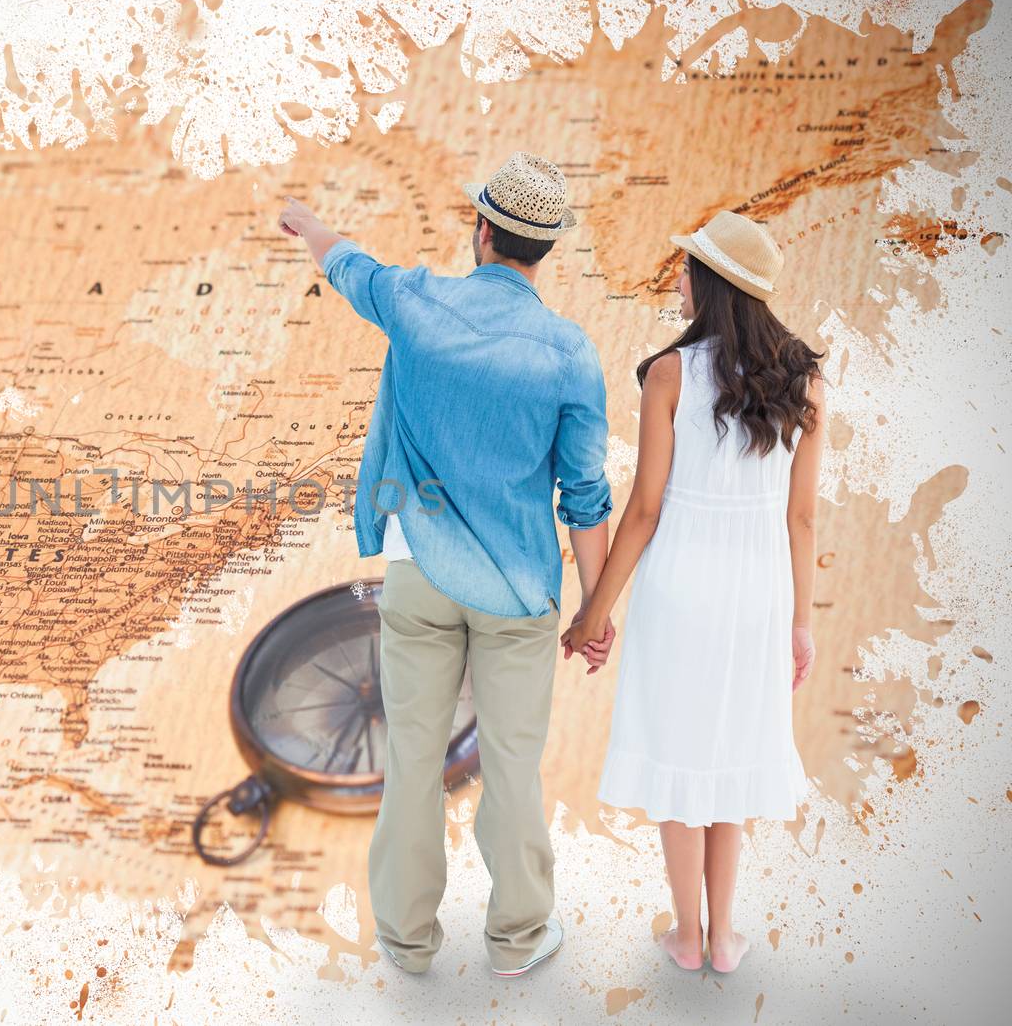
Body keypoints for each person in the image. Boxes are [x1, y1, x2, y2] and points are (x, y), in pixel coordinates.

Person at [277, 152, 615, 978]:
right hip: (518, 592)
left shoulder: (416, 300)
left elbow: (345, 263)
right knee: (510, 765)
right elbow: (586, 498)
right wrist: (596, 613)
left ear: (484, 231)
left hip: (418, 576)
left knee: (413, 763)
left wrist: (307, 221)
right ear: (542, 249)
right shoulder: (571, 353)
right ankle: (517, 938)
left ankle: (406, 938)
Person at [560, 209, 824, 974]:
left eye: (686, 268)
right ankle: (725, 936)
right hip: (757, 595)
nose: (677, 278)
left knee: (679, 757)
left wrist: (593, 613)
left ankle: (685, 933)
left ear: (712, 285)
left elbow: (644, 510)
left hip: (680, 588)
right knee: (732, 753)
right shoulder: (803, 378)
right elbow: (801, 518)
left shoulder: (670, 375)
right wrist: (801, 622)